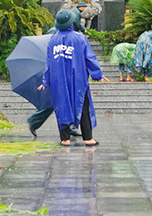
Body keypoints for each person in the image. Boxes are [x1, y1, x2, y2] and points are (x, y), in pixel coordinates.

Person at [38, 9, 107, 146]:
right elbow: (89, 58)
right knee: (83, 106)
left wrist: (46, 80)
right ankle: (88, 138)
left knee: (61, 106)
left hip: (59, 80)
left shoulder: (52, 40)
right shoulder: (79, 38)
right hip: (78, 79)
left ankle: (65, 139)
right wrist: (98, 75)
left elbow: (49, 62)